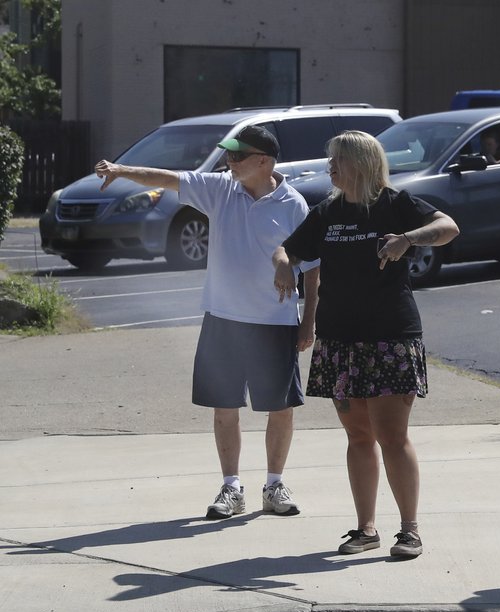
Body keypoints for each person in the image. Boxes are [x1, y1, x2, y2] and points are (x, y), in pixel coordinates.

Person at [94, 125, 320, 521]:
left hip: (275, 321)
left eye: (237, 155)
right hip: (223, 319)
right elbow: (167, 179)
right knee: (224, 407)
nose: (228, 161)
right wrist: (121, 169)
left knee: (280, 409)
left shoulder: (293, 205)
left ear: (263, 161)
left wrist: (309, 324)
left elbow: (314, 268)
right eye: (228, 155)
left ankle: (274, 484)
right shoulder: (219, 189)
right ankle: (231, 487)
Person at [272, 130, 459, 558]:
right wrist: (284, 264)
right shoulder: (327, 212)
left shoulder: (396, 204)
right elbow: (289, 250)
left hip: (390, 338)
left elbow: (447, 227)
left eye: (337, 159)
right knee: (358, 436)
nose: (329, 167)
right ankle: (365, 529)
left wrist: (408, 239)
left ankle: (409, 531)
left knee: (392, 435)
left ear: (360, 162)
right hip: (340, 341)